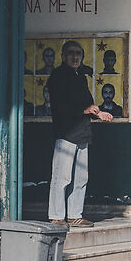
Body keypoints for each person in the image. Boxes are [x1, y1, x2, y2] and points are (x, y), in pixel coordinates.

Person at [45, 41, 111, 225]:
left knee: (81, 177)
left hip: (83, 133)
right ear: (63, 56)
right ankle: (57, 216)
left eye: (78, 53)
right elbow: (59, 105)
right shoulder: (58, 76)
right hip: (66, 134)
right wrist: (84, 110)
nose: (75, 57)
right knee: (62, 177)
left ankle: (75, 215)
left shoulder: (81, 76)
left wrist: (99, 113)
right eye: (71, 53)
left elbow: (88, 104)